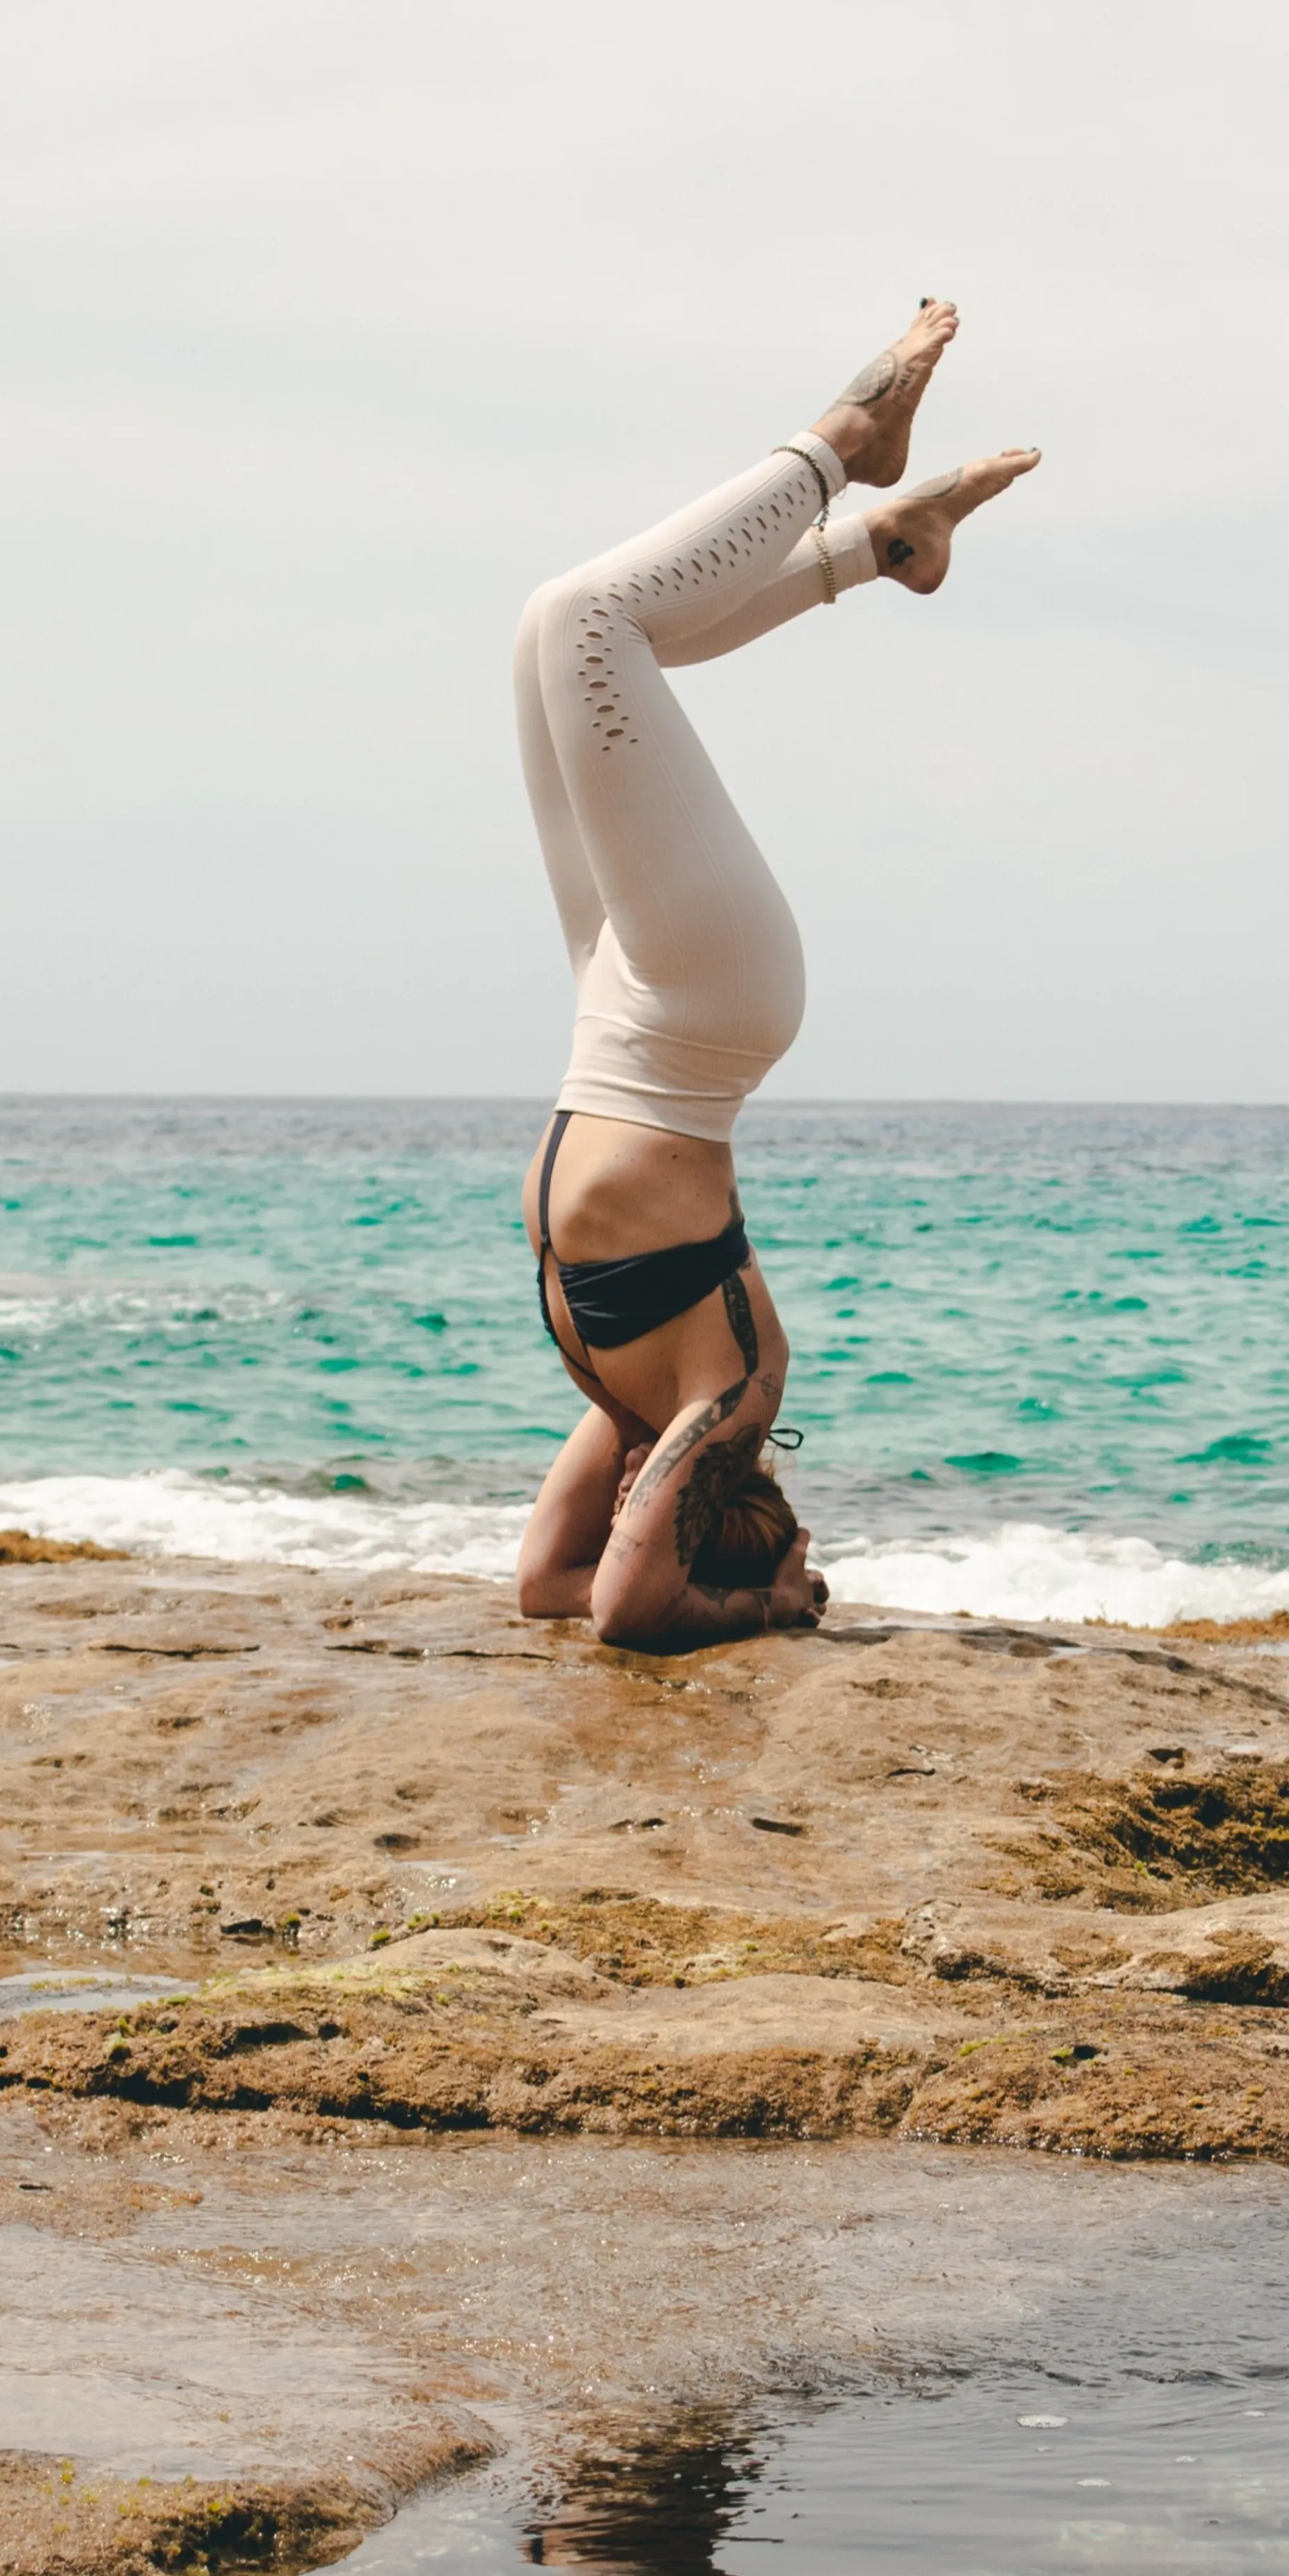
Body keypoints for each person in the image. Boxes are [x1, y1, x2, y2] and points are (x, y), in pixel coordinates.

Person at [511, 300, 1037, 1647]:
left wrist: (709, 1560)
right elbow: (633, 1605)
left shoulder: (630, 1404)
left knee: (548, 634)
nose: (624, 1498)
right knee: (591, 626)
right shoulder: (734, 1391)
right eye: (655, 1501)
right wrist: (777, 1599)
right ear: (705, 1490)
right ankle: (844, 451)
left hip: (615, 1017)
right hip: (706, 1007)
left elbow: (556, 1592)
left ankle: (877, 541)